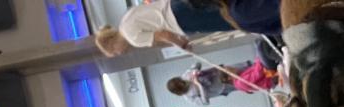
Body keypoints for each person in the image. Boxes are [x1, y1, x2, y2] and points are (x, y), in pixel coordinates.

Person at [94, 0, 284, 54]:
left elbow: (163, 34)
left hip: (183, 20)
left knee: (232, 19)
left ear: (112, 44)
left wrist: (181, 45)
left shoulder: (133, 38)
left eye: (115, 52)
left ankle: (280, 14)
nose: (120, 52)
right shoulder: (126, 18)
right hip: (177, 5)